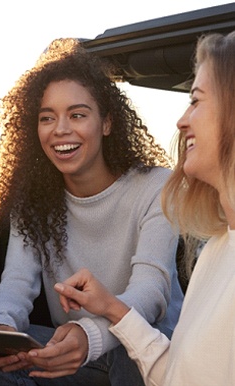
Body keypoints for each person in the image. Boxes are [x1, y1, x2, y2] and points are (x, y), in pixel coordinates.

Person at [0, 38, 184, 385]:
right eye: (47, 117)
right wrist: (2, 327)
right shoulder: (33, 201)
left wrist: (89, 336)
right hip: (75, 353)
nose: (61, 130)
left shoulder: (155, 187)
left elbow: (151, 292)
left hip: (150, 352)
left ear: (107, 123)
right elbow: (17, 282)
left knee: (130, 355)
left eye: (78, 115)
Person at [54, 30, 235, 386]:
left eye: (196, 100)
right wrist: (110, 308)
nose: (182, 121)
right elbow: (176, 375)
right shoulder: (217, 248)